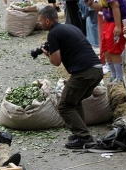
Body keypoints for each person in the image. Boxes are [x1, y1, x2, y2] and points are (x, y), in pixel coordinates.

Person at [38, 6, 103, 149]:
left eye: (41, 20)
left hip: (84, 73)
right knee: (74, 101)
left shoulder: (53, 33)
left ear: (48, 21)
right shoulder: (69, 27)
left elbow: (56, 61)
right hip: (97, 70)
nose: (40, 23)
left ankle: (84, 138)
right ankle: (80, 132)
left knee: (64, 105)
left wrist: (47, 54)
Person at [86, 0, 126, 84]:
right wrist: (91, 4)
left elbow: (115, 5)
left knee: (114, 50)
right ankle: (113, 75)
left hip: (118, 21)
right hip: (109, 21)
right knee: (106, 49)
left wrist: (118, 26)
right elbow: (102, 8)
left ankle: (119, 78)